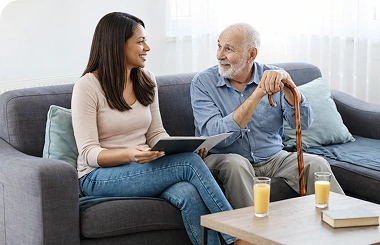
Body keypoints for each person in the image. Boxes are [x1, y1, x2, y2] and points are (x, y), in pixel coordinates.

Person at [71, 12, 253, 245]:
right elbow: (88, 154)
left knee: (187, 191)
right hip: (98, 177)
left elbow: (156, 133)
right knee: (189, 163)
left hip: (143, 169)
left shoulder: (146, 79)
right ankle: (238, 238)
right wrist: (130, 154)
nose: (147, 47)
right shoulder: (88, 86)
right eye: (140, 41)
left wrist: (180, 147)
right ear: (117, 45)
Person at [190, 23, 345, 209]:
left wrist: (290, 87)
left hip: (273, 158)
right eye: (219, 46)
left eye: (228, 49)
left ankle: (344, 224)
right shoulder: (203, 83)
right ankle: (251, 235)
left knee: (316, 163)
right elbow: (212, 137)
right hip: (225, 157)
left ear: (252, 54)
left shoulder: (274, 76)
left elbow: (303, 124)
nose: (219, 55)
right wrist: (257, 95)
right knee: (236, 164)